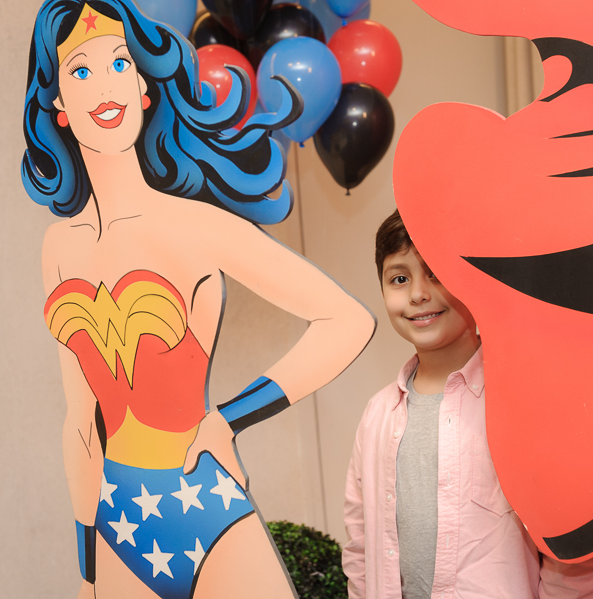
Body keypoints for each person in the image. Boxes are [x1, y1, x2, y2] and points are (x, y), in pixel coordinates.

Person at [22, 2, 375, 598]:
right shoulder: (59, 248)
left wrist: (230, 418)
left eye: (119, 64)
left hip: (206, 504)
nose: (104, 85)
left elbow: (345, 320)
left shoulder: (198, 226)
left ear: (143, 86)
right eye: (80, 71)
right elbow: (81, 423)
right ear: (58, 107)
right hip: (117, 520)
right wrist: (86, 572)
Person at [342, 209, 593, 599]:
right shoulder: (377, 414)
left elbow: (571, 554)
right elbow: (360, 544)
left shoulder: (522, 403)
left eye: (436, 273)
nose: (417, 294)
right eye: (400, 278)